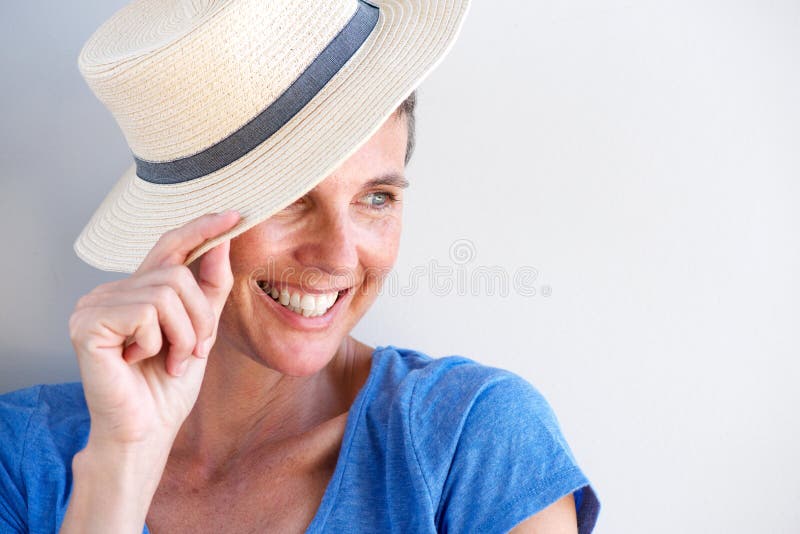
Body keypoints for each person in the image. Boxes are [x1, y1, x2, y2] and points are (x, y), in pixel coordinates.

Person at [0, 0, 600, 532]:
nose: (340, 256)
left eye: (376, 198)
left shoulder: (474, 439)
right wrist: (119, 467)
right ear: (178, 222)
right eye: (289, 198)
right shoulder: (22, 458)